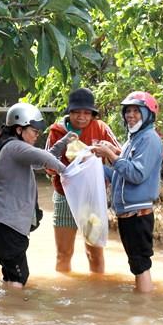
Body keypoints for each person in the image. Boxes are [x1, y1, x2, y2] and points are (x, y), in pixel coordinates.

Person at [0, 102, 76, 288]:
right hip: (5, 224)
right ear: (19, 129)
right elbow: (45, 158)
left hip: (0, 224)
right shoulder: (14, 147)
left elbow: (42, 160)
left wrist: (63, 143)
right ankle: (14, 313)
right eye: (33, 131)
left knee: (11, 277)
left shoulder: (14, 150)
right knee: (19, 277)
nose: (36, 136)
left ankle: (5, 313)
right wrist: (71, 174)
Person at [91, 91, 163, 293]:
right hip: (128, 212)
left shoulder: (149, 139)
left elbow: (136, 174)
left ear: (148, 114)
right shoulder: (133, 140)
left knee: (140, 264)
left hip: (138, 213)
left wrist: (111, 155)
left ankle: (143, 308)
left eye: (136, 111)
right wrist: (97, 164)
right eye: (128, 111)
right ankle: (141, 304)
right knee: (135, 263)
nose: (130, 115)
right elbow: (118, 176)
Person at [44, 87, 120, 274]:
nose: (82, 117)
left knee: (94, 253)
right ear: (69, 112)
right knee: (63, 253)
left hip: (92, 199)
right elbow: (47, 166)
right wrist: (66, 155)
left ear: (93, 114)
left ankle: (97, 295)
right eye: (77, 112)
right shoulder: (57, 131)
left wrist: (106, 150)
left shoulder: (101, 128)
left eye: (87, 113)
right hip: (64, 197)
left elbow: (119, 156)